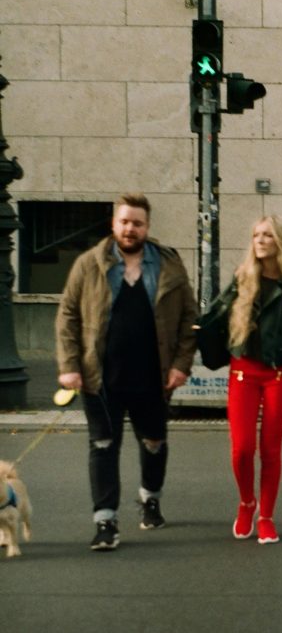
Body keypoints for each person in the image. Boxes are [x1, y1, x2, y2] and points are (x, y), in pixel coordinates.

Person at [56, 193, 198, 551]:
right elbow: (68, 315)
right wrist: (70, 366)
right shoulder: (89, 264)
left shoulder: (168, 265)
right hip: (100, 378)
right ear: (113, 224)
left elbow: (189, 319)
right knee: (103, 445)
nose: (130, 229)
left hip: (153, 377)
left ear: (147, 227)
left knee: (154, 442)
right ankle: (105, 522)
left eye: (137, 223)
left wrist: (181, 365)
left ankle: (150, 498)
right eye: (124, 222)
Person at [212, 215, 282, 545]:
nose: (259, 240)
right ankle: (247, 503)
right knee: (242, 449)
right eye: (256, 235)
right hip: (242, 373)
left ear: (280, 242)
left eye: (267, 235)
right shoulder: (242, 278)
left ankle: (266, 517)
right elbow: (217, 316)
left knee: (270, 450)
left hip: (279, 376)